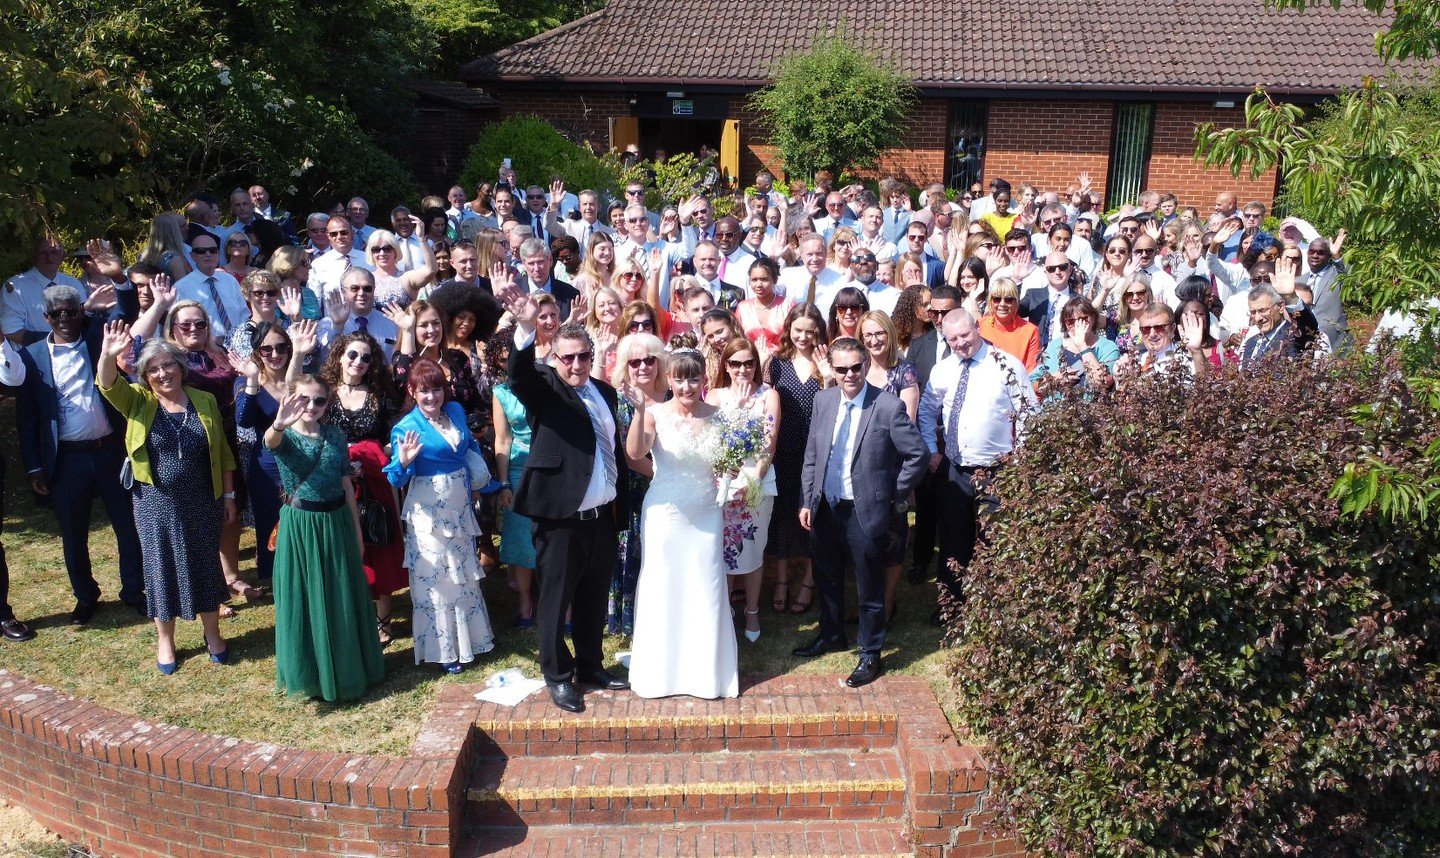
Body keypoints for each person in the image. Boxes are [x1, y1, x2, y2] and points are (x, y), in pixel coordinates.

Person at [494, 272, 631, 714]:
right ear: (554, 358)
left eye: (583, 357)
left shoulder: (606, 393)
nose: (576, 365)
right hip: (561, 517)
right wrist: (526, 328)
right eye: (568, 358)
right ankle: (557, 674)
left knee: (592, 596)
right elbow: (519, 376)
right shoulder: (546, 388)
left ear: (592, 356)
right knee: (555, 601)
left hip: (602, 516)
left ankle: (591, 664)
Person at [96, 324, 236, 673]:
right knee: (160, 570)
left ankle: (212, 634)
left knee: (205, 564)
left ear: (180, 366)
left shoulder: (203, 400)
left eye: (168, 365)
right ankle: (165, 640)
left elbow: (223, 452)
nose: (163, 373)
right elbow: (108, 383)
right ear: (145, 376)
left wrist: (229, 495)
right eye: (153, 369)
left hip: (203, 499)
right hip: (155, 504)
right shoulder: (139, 401)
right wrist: (107, 354)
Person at [794, 337, 927, 687]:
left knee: (869, 585)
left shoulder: (887, 406)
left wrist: (892, 493)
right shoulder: (823, 401)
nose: (849, 374)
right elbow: (813, 454)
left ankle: (871, 653)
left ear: (866, 365)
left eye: (856, 367)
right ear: (832, 370)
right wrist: (808, 500)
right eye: (841, 369)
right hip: (826, 506)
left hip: (865, 510)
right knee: (828, 576)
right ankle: (831, 634)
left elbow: (918, 455)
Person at [16, 286, 145, 623]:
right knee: (73, 533)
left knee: (127, 525)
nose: (64, 319)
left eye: (71, 311)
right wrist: (33, 467)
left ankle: (134, 590)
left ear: (82, 312)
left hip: (110, 451)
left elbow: (126, 314)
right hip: (67, 459)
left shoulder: (96, 339)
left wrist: (121, 284)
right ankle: (85, 596)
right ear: (46, 317)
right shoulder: (32, 356)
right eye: (56, 313)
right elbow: (28, 417)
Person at [621, 349, 739, 700]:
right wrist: (640, 411)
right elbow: (635, 454)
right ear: (668, 379)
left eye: (693, 378)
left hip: (706, 513)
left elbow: (726, 462)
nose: (686, 386)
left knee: (706, 585)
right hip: (665, 514)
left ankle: (705, 675)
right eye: (679, 378)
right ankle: (661, 674)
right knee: (664, 586)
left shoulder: (721, 417)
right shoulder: (655, 414)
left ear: (704, 378)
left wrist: (730, 467)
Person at [264, 379, 386, 701]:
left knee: (340, 594)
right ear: (293, 399)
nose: (312, 406)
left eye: (319, 401)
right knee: (306, 598)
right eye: (305, 399)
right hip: (302, 526)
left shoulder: (335, 435)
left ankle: (348, 667)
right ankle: (312, 676)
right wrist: (278, 423)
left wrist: (357, 530)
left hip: (336, 522)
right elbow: (269, 441)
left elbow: (347, 486)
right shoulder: (286, 435)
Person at [918, 310, 1038, 618]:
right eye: (952, 338)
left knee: (995, 540)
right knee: (953, 539)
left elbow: (1028, 413)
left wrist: (1020, 458)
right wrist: (932, 452)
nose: (960, 343)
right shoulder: (942, 370)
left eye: (965, 335)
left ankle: (994, 604)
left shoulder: (1006, 364)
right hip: (954, 468)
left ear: (977, 328)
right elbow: (926, 413)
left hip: (998, 469)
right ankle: (952, 605)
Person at [385, 358, 496, 674]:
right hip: (428, 514)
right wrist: (403, 461)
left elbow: (469, 447)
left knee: (462, 574)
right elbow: (395, 479)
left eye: (436, 389)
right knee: (436, 579)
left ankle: (472, 642)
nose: (431, 397)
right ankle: (444, 649)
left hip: (460, 507)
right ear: (412, 392)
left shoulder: (456, 412)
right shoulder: (405, 428)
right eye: (424, 391)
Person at [317, 332, 405, 646]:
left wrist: (368, 456)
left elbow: (394, 438)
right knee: (344, 550)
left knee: (379, 547)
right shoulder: (323, 394)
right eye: (352, 355)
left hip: (374, 482)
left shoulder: (380, 395)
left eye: (366, 357)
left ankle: (384, 620)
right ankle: (354, 615)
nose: (358, 362)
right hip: (335, 482)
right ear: (339, 355)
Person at [705, 337, 779, 643]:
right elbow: (710, 442)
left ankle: (751, 610)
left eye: (749, 363)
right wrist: (736, 408)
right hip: (721, 482)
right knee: (721, 552)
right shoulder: (715, 395)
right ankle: (723, 608)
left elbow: (769, 441)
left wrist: (754, 481)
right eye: (735, 363)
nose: (742, 370)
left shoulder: (769, 395)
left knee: (751, 549)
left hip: (755, 482)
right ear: (726, 365)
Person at [765, 303, 832, 615]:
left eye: (810, 330)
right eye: (798, 330)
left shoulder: (826, 362)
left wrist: (830, 377)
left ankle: (808, 580)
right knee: (781, 515)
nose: (804, 336)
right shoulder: (776, 363)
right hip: (782, 449)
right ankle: (780, 581)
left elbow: (836, 403)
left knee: (812, 515)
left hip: (816, 448)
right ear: (788, 330)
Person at [605, 332, 667, 636]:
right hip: (633, 489)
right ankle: (629, 618)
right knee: (631, 552)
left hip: (671, 491)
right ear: (625, 366)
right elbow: (629, 457)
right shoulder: (617, 401)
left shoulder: (672, 396)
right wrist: (664, 474)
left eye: (649, 360)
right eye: (635, 361)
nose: (643, 366)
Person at [232, 321, 299, 582]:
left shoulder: (300, 378)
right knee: (271, 523)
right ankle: (277, 578)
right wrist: (250, 379)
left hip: (300, 462)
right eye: (266, 349)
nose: (275, 354)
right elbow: (244, 420)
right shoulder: (248, 383)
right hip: (268, 467)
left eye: (281, 347)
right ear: (257, 353)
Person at [491, 329, 540, 629]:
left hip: (551, 471)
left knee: (554, 539)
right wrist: (504, 483)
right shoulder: (500, 393)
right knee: (522, 541)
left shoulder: (545, 383)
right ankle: (525, 602)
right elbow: (502, 439)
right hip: (519, 472)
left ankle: (565, 606)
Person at [4, 236, 90, 346]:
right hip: (33, 357)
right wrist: (53, 343)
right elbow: (11, 330)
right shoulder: (15, 286)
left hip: (72, 354)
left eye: (54, 252)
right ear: (34, 256)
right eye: (43, 253)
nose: (49, 257)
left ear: (62, 256)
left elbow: (82, 321)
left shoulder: (73, 284)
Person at [1033, 297, 1120, 397]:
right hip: (1057, 410)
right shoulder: (1054, 347)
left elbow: (1102, 383)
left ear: (1093, 318)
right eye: (1071, 322)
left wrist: (1082, 346)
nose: (1078, 324)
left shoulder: (1107, 347)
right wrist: (1054, 379)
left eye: (1083, 319)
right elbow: (1034, 386)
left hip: (1092, 410)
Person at [979, 277, 1041, 371]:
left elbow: (1031, 372)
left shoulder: (1030, 331)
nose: (1002, 304)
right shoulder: (980, 325)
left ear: (1016, 303)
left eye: (1008, 300)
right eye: (996, 299)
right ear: (990, 302)